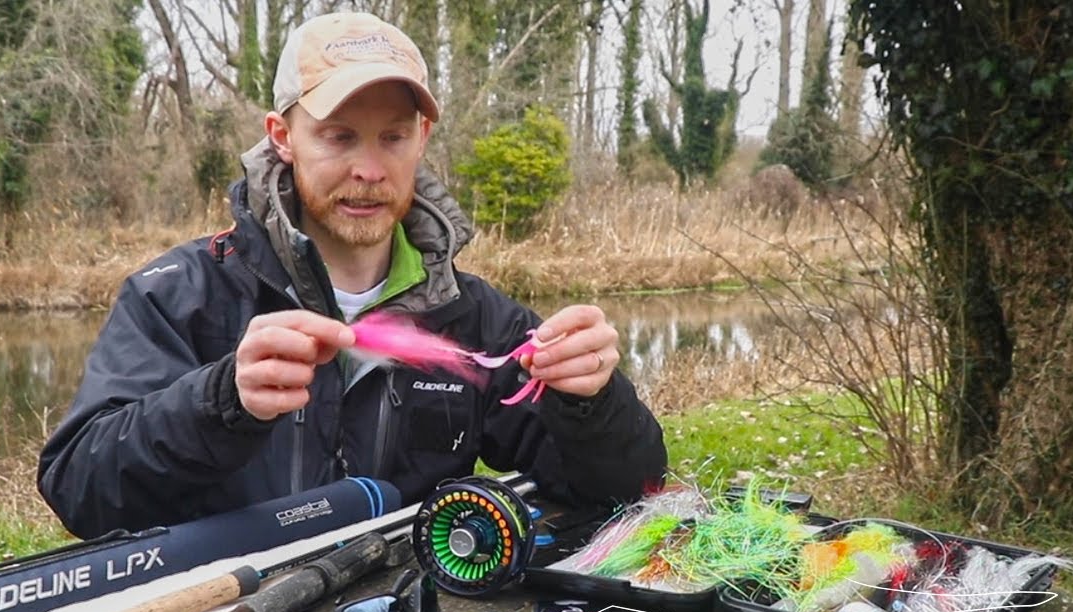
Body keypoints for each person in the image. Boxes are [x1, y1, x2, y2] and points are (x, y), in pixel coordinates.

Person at [37, 11, 667, 539]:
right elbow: (80, 491)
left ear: (421, 139)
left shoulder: (477, 318)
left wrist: (590, 399)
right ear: (283, 137)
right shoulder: (176, 293)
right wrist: (222, 401)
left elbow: (624, 489)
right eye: (339, 137)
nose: (368, 169)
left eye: (391, 138)